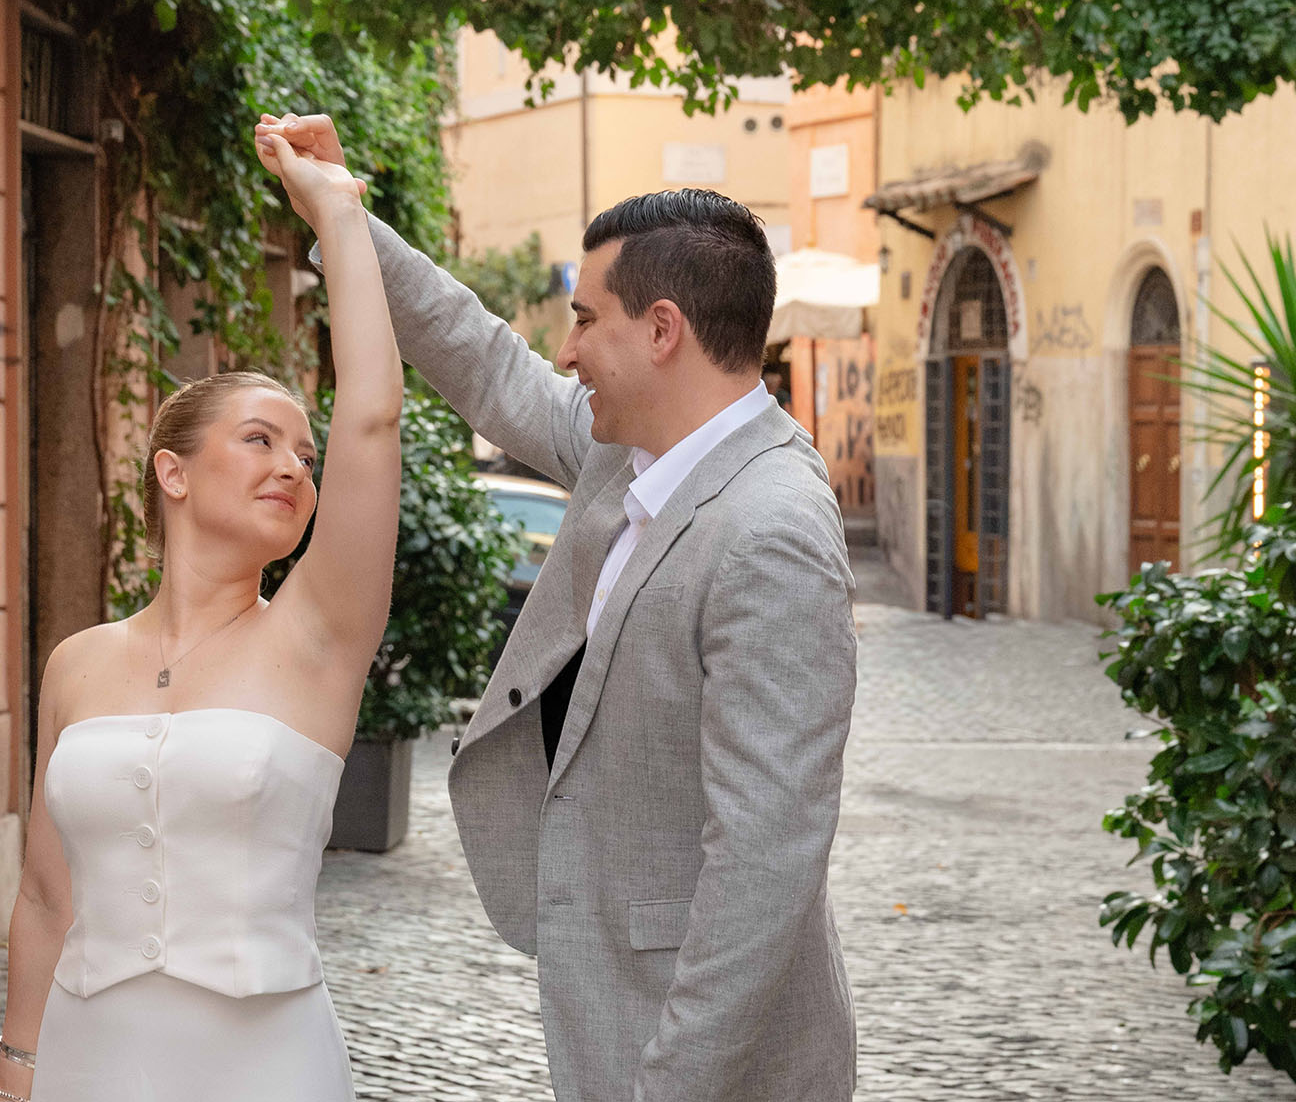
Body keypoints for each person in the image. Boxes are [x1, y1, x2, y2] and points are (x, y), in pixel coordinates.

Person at [270, 112, 857, 1102]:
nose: (568, 348)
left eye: (586, 319)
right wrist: (341, 216)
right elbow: (488, 363)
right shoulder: (632, 454)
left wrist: (669, 1086)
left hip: (704, 1062)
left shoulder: (772, 529)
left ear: (662, 330)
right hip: (615, 1013)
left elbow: (766, 861)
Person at [0, 125, 399, 1102]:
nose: (292, 466)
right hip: (87, 1065)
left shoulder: (317, 637)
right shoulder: (76, 664)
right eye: (260, 439)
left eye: (305, 456)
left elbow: (373, 417)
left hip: (267, 1069)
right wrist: (16, 1071)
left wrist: (336, 210)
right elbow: (45, 895)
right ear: (173, 472)